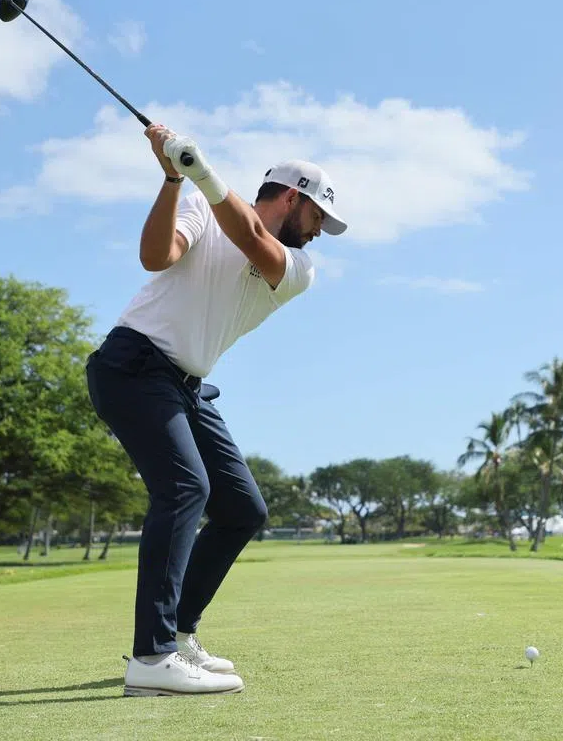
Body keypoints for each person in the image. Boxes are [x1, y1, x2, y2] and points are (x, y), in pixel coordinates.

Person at [85, 124, 348, 697]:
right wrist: (172, 179)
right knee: (185, 490)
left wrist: (201, 173)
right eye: (318, 219)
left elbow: (253, 237)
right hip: (133, 364)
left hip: (186, 384)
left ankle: (176, 633)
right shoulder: (204, 213)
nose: (320, 233)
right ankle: (152, 658)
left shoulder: (297, 268)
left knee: (242, 509)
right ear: (293, 197)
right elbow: (156, 256)